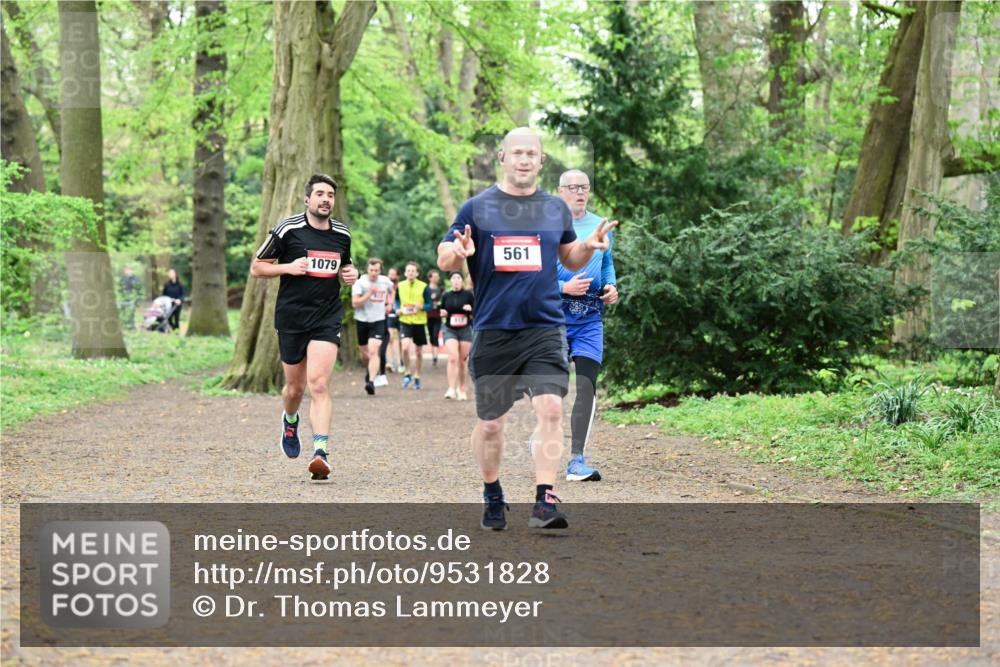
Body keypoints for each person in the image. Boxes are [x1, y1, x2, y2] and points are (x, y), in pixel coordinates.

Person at [437, 127, 616, 531]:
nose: (523, 159)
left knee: (551, 408)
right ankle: (492, 493)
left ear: (540, 161)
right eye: (515, 152)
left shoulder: (554, 209)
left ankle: (544, 499)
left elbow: (568, 256)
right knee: (491, 423)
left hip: (545, 326)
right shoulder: (477, 208)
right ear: (501, 157)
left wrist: (588, 247)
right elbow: (445, 255)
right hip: (495, 328)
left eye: (530, 154)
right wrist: (457, 252)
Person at [250, 173, 358, 480]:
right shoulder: (289, 229)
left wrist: (352, 273)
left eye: (330, 195)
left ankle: (320, 453)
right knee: (294, 389)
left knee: (319, 384)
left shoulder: (342, 234)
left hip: (326, 316)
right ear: (307, 199)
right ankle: (290, 419)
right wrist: (288, 267)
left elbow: (345, 264)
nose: (326, 199)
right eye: (320, 194)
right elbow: (257, 267)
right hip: (292, 318)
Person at [555, 170, 619, 482]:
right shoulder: (547, 225)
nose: (579, 192)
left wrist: (611, 286)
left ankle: (577, 460)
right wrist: (562, 288)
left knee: (587, 387)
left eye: (584, 187)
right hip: (552, 318)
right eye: (573, 187)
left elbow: (607, 265)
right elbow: (531, 274)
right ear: (560, 191)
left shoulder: (601, 226)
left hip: (590, 318)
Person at [352, 257, 393, 394]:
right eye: (371, 270)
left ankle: (371, 382)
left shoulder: (385, 281)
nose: (374, 273)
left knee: (374, 350)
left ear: (380, 270)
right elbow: (355, 303)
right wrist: (369, 294)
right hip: (362, 320)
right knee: (365, 354)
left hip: (378, 320)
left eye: (376, 270)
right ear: (367, 269)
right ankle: (370, 370)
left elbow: (392, 291)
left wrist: (390, 304)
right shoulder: (360, 282)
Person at [397, 261, 432, 390]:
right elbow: (396, 301)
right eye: (408, 270)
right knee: (405, 347)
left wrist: (422, 307)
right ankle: (407, 373)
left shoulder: (424, 287)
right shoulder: (400, 286)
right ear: (405, 273)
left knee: (418, 352)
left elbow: (430, 305)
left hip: (419, 322)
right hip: (405, 320)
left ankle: (417, 375)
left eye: (413, 271)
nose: (410, 272)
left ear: (417, 273)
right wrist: (397, 309)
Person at [440, 272, 474, 400]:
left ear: (462, 281)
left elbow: (477, 310)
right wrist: (442, 313)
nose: (456, 281)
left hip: (465, 329)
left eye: (458, 278)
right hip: (450, 329)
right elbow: (441, 310)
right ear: (450, 281)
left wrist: (471, 309)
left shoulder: (468, 295)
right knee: (453, 357)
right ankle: (451, 388)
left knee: (462, 360)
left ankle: (461, 388)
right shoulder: (446, 296)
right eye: (453, 278)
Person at [383, 266, 403, 374]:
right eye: (389, 274)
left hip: (402, 316)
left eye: (393, 274)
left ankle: (400, 362)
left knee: (400, 341)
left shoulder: (401, 287)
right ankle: (389, 362)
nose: (391, 276)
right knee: (390, 338)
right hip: (390, 315)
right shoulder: (385, 286)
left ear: (398, 276)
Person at [426, 270, 444, 367]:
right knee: (431, 336)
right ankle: (433, 353)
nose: (437, 278)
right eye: (435, 276)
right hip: (428, 316)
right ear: (430, 278)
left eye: (438, 276)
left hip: (437, 316)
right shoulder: (426, 289)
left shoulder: (441, 289)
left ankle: (435, 357)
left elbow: (443, 301)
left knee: (435, 335)